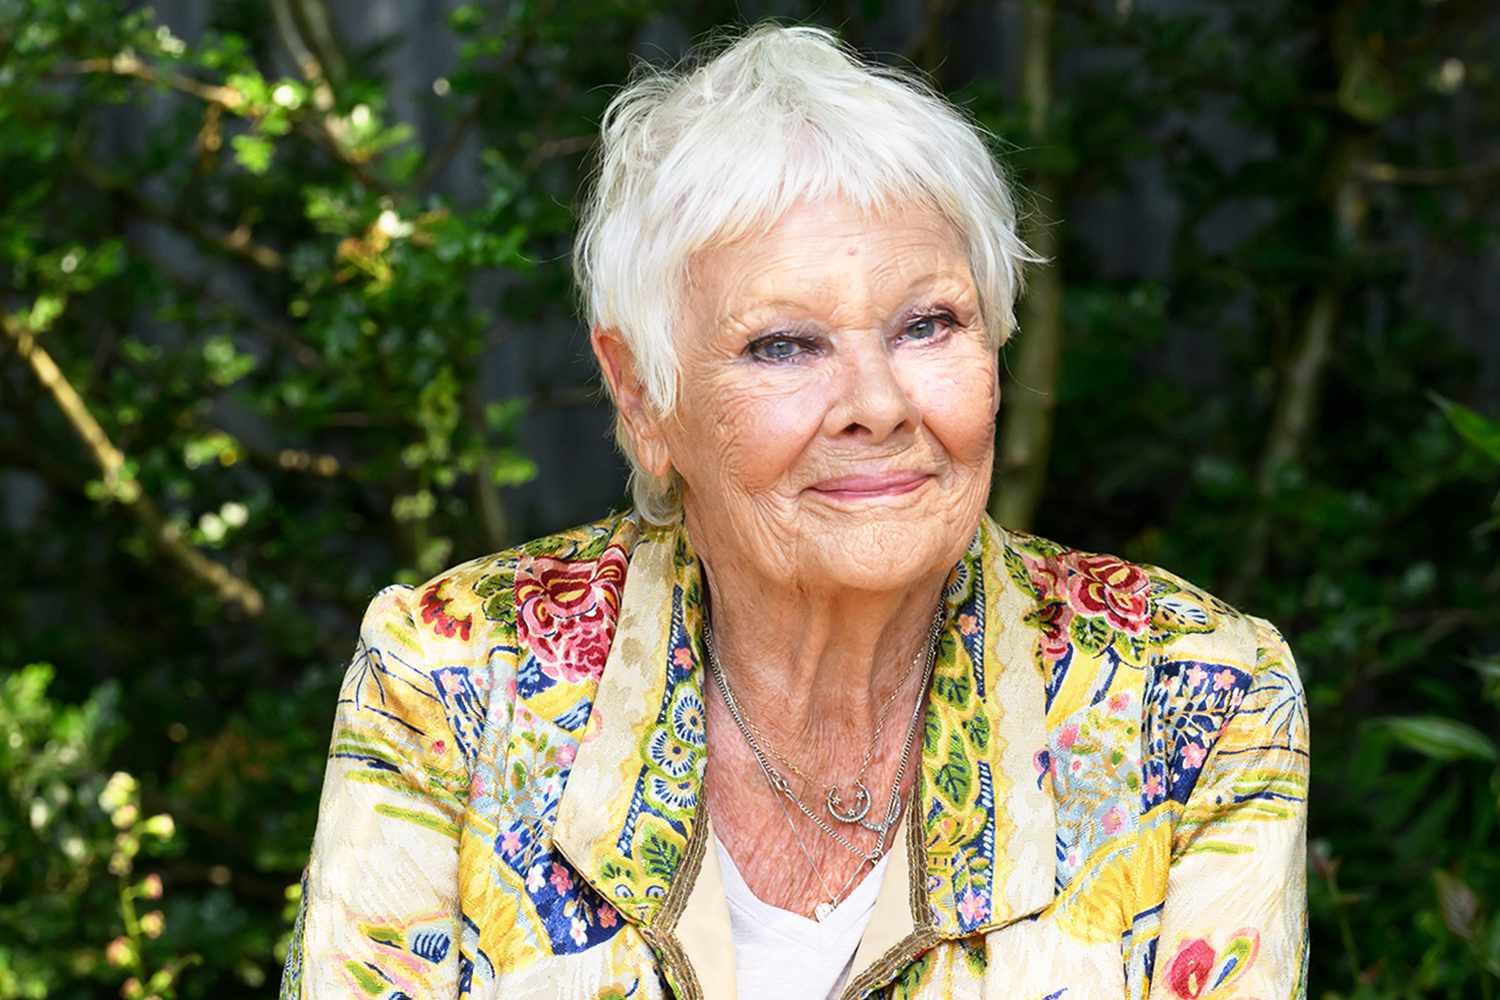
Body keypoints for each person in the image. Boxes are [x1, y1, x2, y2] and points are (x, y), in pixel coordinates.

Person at [279, 22, 1308, 1000]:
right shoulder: (459, 684)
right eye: (784, 345)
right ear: (643, 397)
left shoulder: (1199, 698)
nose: (875, 405)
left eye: (927, 324)